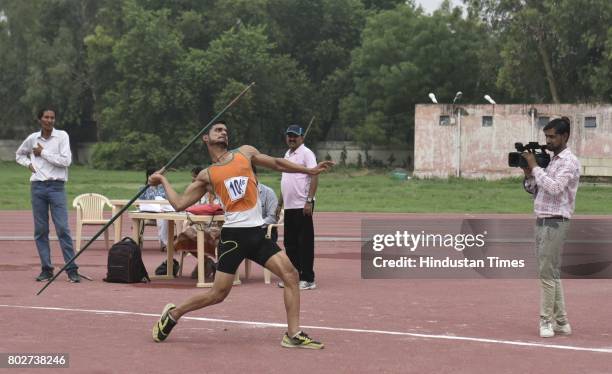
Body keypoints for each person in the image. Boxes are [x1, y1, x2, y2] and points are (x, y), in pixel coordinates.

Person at [149, 120, 333, 349]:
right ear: (206, 138)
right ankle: (174, 314)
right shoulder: (207, 175)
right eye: (217, 129)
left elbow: (277, 163)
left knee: (291, 275)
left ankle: (293, 334)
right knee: (217, 294)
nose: (223, 132)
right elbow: (178, 203)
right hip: (233, 238)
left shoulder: (245, 153)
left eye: (225, 130)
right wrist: (162, 180)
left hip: (257, 235)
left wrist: (309, 170)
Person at [521, 117, 580, 338]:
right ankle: (562, 322)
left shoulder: (569, 161)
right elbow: (535, 189)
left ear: (565, 136)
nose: (548, 141)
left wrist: (535, 167)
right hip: (543, 219)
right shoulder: (552, 161)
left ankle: (546, 321)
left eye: (552, 136)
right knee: (551, 273)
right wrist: (529, 174)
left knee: (547, 275)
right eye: (546, 136)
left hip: (556, 221)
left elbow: (555, 188)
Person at [15, 107, 81, 283]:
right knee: (41, 231)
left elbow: (66, 161)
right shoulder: (32, 138)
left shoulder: (62, 136)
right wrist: (29, 164)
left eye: (52, 117)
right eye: (46, 117)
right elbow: (19, 155)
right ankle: (46, 269)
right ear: (40, 120)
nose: (50, 120)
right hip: (37, 187)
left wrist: (42, 152)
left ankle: (72, 269)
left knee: (63, 229)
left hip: (56, 187)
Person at [277, 124, 318, 290]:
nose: (291, 139)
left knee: (304, 243)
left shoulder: (307, 153)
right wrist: (279, 203)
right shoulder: (287, 154)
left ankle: (307, 278)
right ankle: (293, 276)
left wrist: (309, 200)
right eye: (289, 136)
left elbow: (314, 176)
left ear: (302, 137)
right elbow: (284, 181)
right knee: (290, 243)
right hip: (289, 206)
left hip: (302, 204)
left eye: (295, 136)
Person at [141, 168, 169, 251]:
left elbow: (167, 200)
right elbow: (140, 202)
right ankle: (164, 241)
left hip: (162, 211)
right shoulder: (143, 188)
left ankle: (163, 241)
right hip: (149, 212)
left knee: (163, 214)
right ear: (150, 176)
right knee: (162, 213)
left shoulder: (162, 188)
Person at [253, 165, 279, 242]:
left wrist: (254, 225)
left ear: (256, 175)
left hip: (263, 229)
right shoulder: (240, 194)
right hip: (245, 230)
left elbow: (272, 218)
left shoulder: (268, 192)